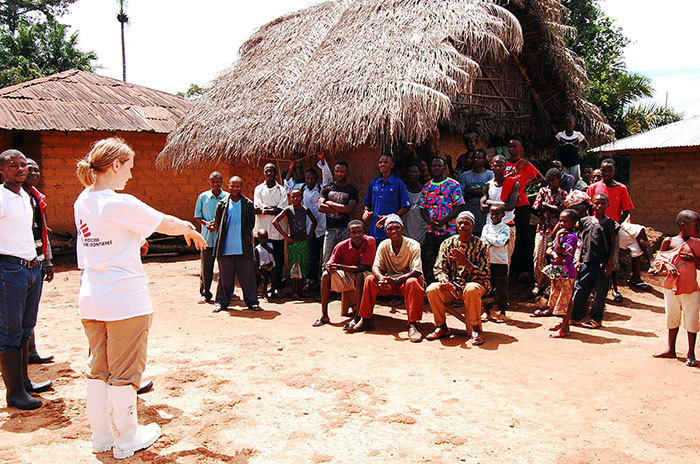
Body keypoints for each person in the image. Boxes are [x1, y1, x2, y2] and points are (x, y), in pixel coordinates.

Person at [73, 138, 207, 458]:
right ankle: (128, 438)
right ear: (116, 165)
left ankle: (102, 437)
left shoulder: (83, 200)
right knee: (125, 373)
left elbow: (115, 231)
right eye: (129, 168)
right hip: (125, 301)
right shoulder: (122, 203)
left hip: (92, 299)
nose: (130, 176)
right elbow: (167, 222)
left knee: (98, 369)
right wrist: (189, 227)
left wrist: (137, 238)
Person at [0, 149, 53, 411]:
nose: (20, 169)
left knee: (25, 328)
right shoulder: (1, 198)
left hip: (32, 267)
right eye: (13, 165)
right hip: (9, 269)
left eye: (23, 165)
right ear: (2, 170)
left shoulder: (26, 197)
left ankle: (25, 382)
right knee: (9, 332)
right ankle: (14, 393)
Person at [347, 215, 424, 342]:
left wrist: (398, 280)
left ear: (402, 229)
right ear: (386, 231)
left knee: (413, 282)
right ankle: (365, 319)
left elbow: (416, 271)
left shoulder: (413, 245)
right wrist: (381, 278)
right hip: (389, 281)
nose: (394, 231)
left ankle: (413, 325)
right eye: (390, 229)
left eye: (397, 228)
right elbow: (376, 267)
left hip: (406, 280)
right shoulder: (383, 245)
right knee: (370, 280)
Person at [426, 211, 491, 345]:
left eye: (466, 223)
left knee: (471, 289)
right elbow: (439, 267)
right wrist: (444, 280)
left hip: (476, 284)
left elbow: (485, 274)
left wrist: (467, 264)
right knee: (432, 289)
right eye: (459, 223)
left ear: (473, 227)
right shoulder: (447, 243)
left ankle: (476, 329)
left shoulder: (482, 245)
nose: (462, 226)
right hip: (453, 285)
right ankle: (442, 327)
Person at [652, 210, 700, 367]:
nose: (699, 228)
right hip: (670, 287)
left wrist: (694, 259)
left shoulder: (697, 244)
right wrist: (666, 265)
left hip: (691, 288)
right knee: (672, 317)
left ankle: (691, 352)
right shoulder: (669, 242)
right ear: (683, 225)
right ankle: (671, 349)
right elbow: (658, 262)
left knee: (691, 319)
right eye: (696, 225)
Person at [587, 158, 634, 302]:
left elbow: (626, 210)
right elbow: (589, 207)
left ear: (614, 171)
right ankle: (593, 289)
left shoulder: (621, 188)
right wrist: (591, 222)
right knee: (593, 257)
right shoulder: (594, 187)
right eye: (603, 170)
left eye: (609, 170)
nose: (606, 173)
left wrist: (616, 225)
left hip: (612, 229)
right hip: (595, 228)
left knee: (613, 258)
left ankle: (614, 289)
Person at [22, 158, 54, 364]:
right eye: (30, 169)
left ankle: (30, 352)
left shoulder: (36, 199)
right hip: (16, 262)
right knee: (15, 312)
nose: (35, 173)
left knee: (29, 311)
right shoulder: (11, 198)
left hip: (37, 259)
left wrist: (48, 261)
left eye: (37, 170)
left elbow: (43, 232)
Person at [314, 220, 376, 327]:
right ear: (349, 233)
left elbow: (363, 267)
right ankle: (324, 314)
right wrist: (330, 267)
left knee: (359, 275)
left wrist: (339, 267)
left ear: (364, 232)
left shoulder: (370, 241)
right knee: (325, 275)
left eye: (359, 232)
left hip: (366, 274)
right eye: (354, 232)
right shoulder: (341, 246)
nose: (357, 235)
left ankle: (358, 316)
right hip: (348, 273)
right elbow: (329, 263)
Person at [213, 176, 262, 313]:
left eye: (238, 186)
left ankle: (252, 302)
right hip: (226, 248)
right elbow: (218, 225)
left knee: (248, 277)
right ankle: (221, 302)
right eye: (233, 186)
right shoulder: (222, 204)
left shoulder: (247, 204)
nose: (235, 189)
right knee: (224, 279)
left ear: (242, 187)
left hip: (243, 247)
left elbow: (251, 224)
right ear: (228, 186)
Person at [284, 152, 332, 290]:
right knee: (311, 254)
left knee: (324, 255)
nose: (310, 180)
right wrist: (291, 167)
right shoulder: (302, 188)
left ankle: (324, 280)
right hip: (308, 228)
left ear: (316, 179)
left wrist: (322, 159)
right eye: (308, 178)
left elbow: (328, 177)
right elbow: (288, 184)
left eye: (312, 178)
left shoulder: (322, 189)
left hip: (322, 226)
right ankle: (311, 280)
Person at [570, 193, 619, 329]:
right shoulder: (585, 221)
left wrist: (610, 265)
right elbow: (581, 242)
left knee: (600, 293)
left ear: (608, 205)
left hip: (602, 263)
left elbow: (613, 245)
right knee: (580, 290)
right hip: (586, 262)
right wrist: (578, 261)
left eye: (603, 203)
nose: (599, 206)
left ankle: (596, 319)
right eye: (597, 203)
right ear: (592, 204)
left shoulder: (611, 224)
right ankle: (575, 317)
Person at [418, 157, 465, 283]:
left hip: (448, 231)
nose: (437, 168)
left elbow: (460, 205)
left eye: (439, 166)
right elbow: (422, 208)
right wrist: (429, 221)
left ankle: (451, 287)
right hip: (431, 230)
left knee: (449, 259)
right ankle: (431, 287)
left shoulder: (453, 184)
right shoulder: (427, 187)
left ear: (444, 167)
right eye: (434, 166)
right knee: (430, 259)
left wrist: (444, 220)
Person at [536, 210, 580, 338]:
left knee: (566, 298)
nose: (561, 223)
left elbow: (560, 250)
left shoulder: (571, 236)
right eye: (560, 220)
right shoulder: (561, 235)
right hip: (558, 268)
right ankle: (562, 323)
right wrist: (554, 252)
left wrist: (556, 245)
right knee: (557, 294)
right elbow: (549, 250)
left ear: (573, 223)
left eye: (565, 221)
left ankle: (565, 326)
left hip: (566, 270)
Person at [505, 136, 544, 278]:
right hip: (507, 205)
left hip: (522, 204)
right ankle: (512, 267)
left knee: (524, 236)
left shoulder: (525, 164)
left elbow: (540, 177)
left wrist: (525, 186)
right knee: (509, 236)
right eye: (510, 146)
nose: (511, 149)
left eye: (515, 146)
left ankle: (526, 269)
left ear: (521, 148)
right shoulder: (505, 163)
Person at [273, 189, 318, 299]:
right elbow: (275, 221)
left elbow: (314, 222)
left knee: (302, 266)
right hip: (293, 243)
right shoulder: (288, 210)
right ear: (290, 198)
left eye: (297, 196)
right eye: (293, 197)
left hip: (303, 242)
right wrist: (286, 237)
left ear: (302, 197)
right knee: (294, 266)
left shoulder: (305, 210)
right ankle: (294, 291)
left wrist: (309, 235)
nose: (295, 199)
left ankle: (301, 290)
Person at [530, 168, 567, 297]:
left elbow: (562, 210)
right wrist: (548, 207)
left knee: (556, 258)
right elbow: (536, 207)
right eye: (548, 180)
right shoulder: (543, 191)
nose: (550, 182)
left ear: (559, 180)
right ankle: (540, 283)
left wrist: (546, 205)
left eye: (553, 180)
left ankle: (556, 286)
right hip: (543, 228)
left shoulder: (563, 194)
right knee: (538, 257)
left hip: (557, 230)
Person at [254, 163, 288, 297]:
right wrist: (270, 209)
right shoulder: (259, 189)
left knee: (278, 259)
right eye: (266, 171)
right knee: (259, 260)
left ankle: (276, 286)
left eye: (272, 171)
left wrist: (264, 210)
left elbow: (281, 210)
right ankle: (259, 287)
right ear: (264, 173)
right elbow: (257, 208)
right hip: (261, 230)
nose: (269, 173)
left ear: (275, 173)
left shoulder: (281, 190)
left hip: (276, 231)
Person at [194, 171, 227, 304]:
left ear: (222, 182)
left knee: (225, 268)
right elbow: (197, 216)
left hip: (223, 239)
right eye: (213, 182)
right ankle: (205, 293)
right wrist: (206, 223)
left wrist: (218, 223)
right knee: (206, 268)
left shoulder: (227, 197)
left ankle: (227, 292)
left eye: (218, 182)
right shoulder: (203, 197)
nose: (215, 184)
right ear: (209, 182)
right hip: (207, 239)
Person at [362, 154, 411, 242]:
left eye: (386, 162)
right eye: (380, 162)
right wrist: (366, 212)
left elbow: (406, 206)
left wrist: (391, 217)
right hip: (375, 229)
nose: (383, 164)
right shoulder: (374, 183)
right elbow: (367, 203)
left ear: (392, 165)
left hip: (392, 229)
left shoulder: (398, 183)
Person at [318, 161, 359, 268]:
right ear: (334, 172)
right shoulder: (327, 189)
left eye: (342, 171)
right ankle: (326, 284)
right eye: (337, 171)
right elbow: (320, 207)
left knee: (345, 261)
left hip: (345, 230)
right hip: (330, 230)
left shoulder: (352, 190)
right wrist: (340, 209)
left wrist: (330, 203)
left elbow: (349, 209)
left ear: (346, 172)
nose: (339, 173)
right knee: (327, 262)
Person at [481, 154, 519, 263]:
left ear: (505, 166)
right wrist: (502, 204)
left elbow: (511, 206)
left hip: (507, 225)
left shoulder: (513, 183)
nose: (498, 168)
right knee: (487, 259)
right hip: (490, 227)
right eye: (495, 165)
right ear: (491, 166)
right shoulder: (487, 185)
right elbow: (483, 207)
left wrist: (490, 202)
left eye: (501, 165)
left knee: (505, 260)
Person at [480, 204, 510, 323]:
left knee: (501, 288)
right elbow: (483, 242)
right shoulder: (486, 227)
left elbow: (501, 242)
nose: (494, 216)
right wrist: (493, 240)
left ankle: (502, 312)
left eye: (497, 213)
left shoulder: (505, 228)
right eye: (492, 213)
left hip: (500, 262)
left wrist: (490, 239)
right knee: (487, 287)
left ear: (503, 215)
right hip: (487, 261)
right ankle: (487, 311)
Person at [459, 148, 494, 236]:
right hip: (469, 209)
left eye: (479, 158)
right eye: (474, 158)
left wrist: (470, 190)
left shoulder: (490, 175)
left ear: (484, 159)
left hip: (483, 211)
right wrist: (481, 191)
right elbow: (461, 195)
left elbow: (490, 193)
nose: (475, 160)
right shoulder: (465, 175)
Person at [555, 115, 589, 180]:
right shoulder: (560, 135)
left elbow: (587, 144)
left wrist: (582, 152)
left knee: (576, 180)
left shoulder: (577, 135)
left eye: (570, 122)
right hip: (563, 163)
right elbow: (556, 149)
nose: (568, 125)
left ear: (574, 123)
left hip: (575, 163)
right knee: (563, 180)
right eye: (566, 123)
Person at [402, 162, 428, 245]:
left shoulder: (426, 190)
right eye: (410, 172)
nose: (412, 174)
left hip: (422, 228)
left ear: (420, 174)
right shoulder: (403, 190)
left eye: (415, 172)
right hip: (407, 228)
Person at [254, 229, 275, 299]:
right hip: (263, 266)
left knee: (273, 279)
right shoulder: (257, 248)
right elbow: (257, 260)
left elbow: (274, 254)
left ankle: (273, 293)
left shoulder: (270, 245)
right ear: (258, 238)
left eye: (265, 237)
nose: (263, 239)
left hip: (271, 264)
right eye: (261, 238)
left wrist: (270, 250)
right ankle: (265, 294)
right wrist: (257, 269)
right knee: (265, 280)